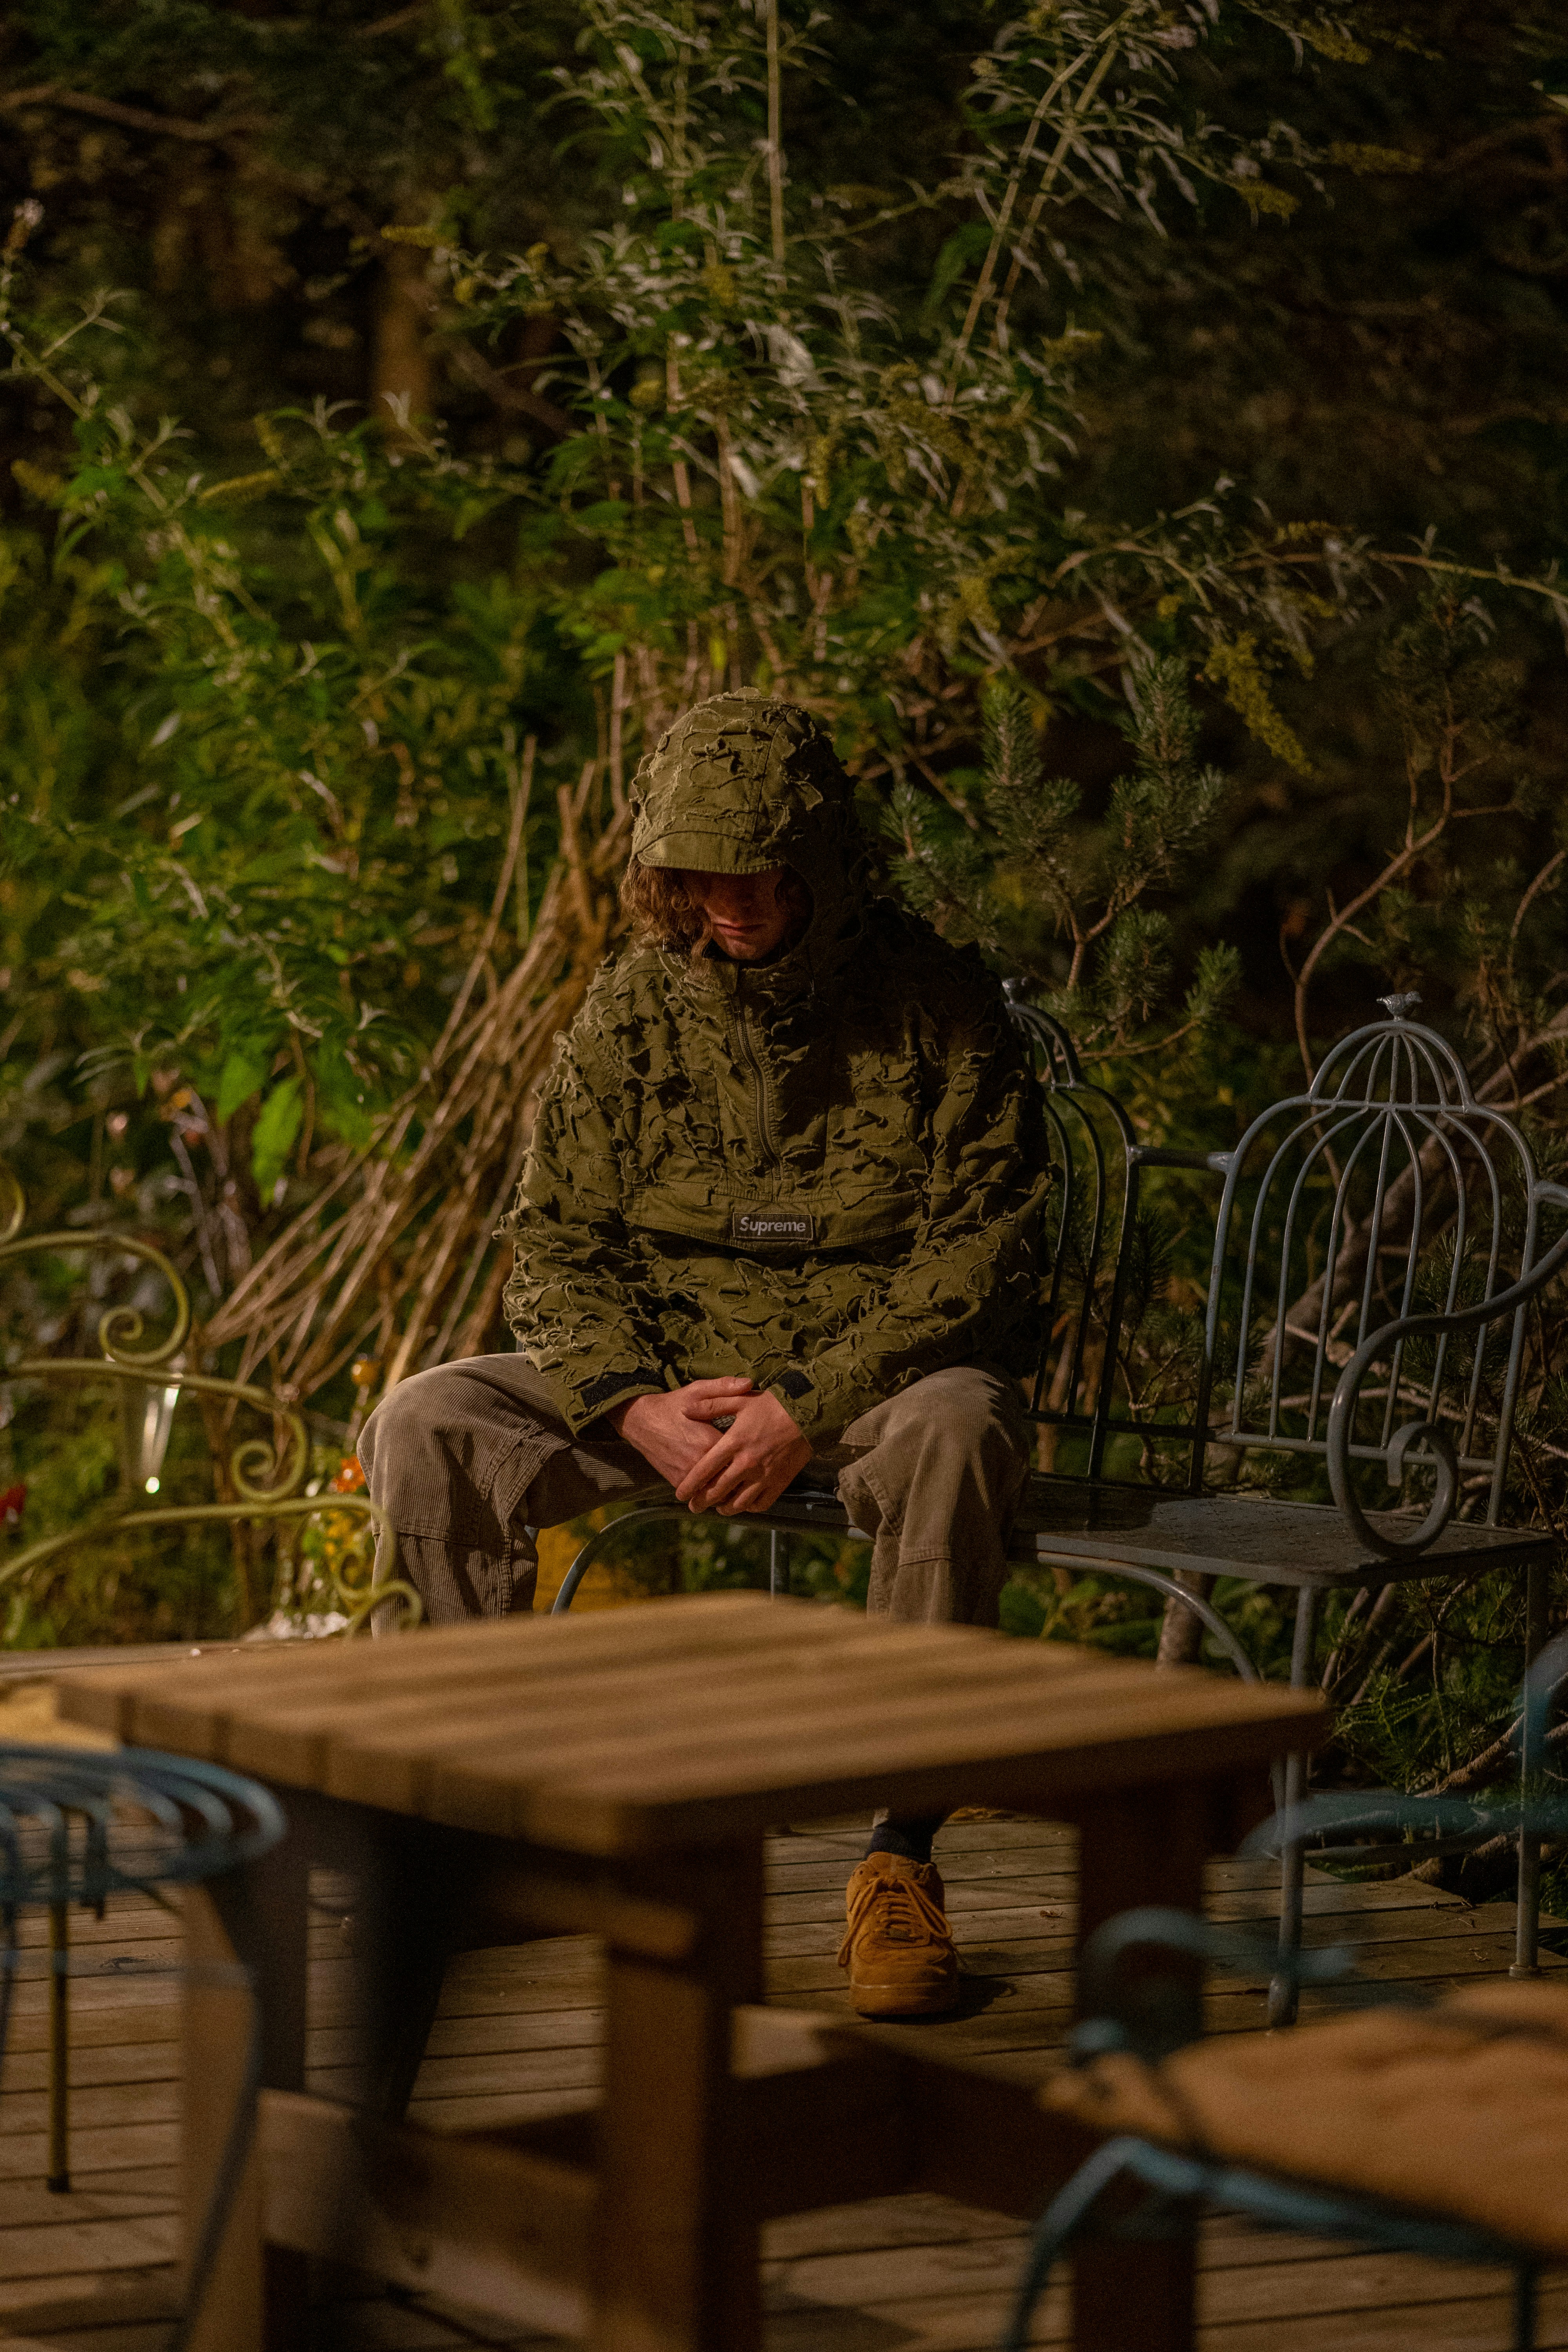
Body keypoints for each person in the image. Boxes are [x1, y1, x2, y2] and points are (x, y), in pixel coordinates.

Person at [359, 689, 1048, 2017]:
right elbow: (552, 1244)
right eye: (698, 871)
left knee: (965, 1428)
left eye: (759, 869)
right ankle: (498, 1833)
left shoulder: (938, 1006)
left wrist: (808, 1403)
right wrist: (631, 1408)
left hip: (873, 1394)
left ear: (824, 864)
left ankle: (898, 1859)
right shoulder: (629, 1015)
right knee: (425, 1422)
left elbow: (983, 1254)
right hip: (668, 1382)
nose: (729, 899)